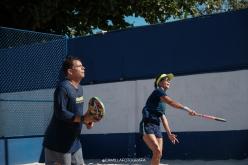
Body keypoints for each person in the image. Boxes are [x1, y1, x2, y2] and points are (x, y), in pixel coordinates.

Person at [43, 56, 96, 165]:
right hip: (58, 144)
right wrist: (82, 118)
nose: (83, 68)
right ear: (70, 71)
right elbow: (60, 113)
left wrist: (86, 120)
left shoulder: (80, 88)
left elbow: (77, 113)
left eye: (83, 66)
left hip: (74, 142)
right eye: (79, 66)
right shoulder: (62, 88)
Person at [139, 73, 197, 165]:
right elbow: (171, 102)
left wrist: (169, 134)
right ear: (160, 82)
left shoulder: (162, 103)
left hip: (156, 127)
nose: (169, 81)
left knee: (159, 154)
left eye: (169, 80)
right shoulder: (157, 91)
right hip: (147, 125)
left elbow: (163, 117)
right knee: (157, 150)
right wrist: (187, 109)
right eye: (166, 79)